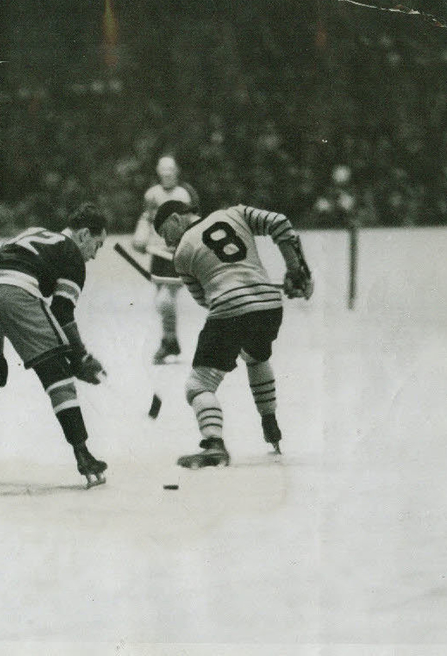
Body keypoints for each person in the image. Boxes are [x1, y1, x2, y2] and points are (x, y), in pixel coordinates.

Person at [151, 200, 313, 467]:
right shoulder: (235, 213)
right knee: (256, 357)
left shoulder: (181, 254)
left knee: (199, 385)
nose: (168, 242)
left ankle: (214, 444)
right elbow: (281, 222)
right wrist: (296, 271)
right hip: (269, 306)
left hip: (229, 310)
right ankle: (270, 425)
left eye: (165, 233)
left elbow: (205, 300)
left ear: (176, 219)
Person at [0, 203, 109, 488]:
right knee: (57, 377)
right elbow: (63, 313)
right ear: (84, 234)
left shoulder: (33, 233)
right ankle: (84, 455)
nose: (93, 255)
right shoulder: (72, 252)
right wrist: (80, 358)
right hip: (14, 291)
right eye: (97, 246)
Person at [132, 155, 200, 364]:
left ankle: (168, 341)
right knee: (162, 299)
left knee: (165, 298)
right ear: (158, 171)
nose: (167, 173)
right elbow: (147, 217)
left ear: (177, 171)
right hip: (158, 253)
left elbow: (193, 220)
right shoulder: (152, 194)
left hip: (175, 253)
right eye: (163, 169)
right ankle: (170, 341)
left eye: (171, 168)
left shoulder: (184, 194)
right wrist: (140, 236)